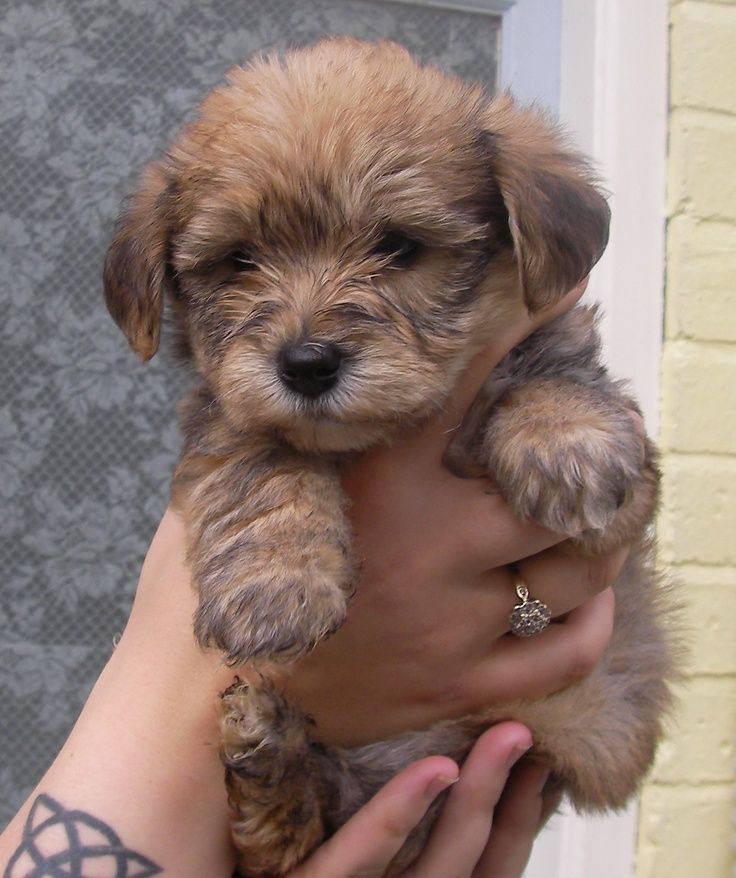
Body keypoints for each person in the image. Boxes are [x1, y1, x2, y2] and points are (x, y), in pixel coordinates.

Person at [0, 283, 625, 877]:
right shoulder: (254, 445)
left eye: (397, 248)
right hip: (324, 797)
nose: (307, 333)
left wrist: (527, 597)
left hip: (477, 781)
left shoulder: (540, 356)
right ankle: (285, 799)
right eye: (240, 263)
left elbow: (610, 510)